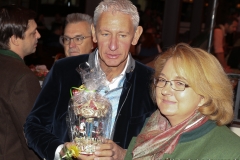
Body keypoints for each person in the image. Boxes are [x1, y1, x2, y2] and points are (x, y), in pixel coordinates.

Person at [23, 0, 157, 160]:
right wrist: (64, 152)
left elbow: (162, 144)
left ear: (135, 35)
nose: (113, 45)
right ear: (94, 33)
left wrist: (124, 154)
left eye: (122, 35)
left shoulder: (150, 81)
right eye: (105, 34)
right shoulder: (64, 71)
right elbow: (33, 126)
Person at [124, 43, 240, 159]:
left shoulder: (230, 151)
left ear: (204, 96)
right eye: (163, 80)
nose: (165, 90)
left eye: (180, 83)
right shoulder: (151, 129)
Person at [0, 5, 41, 160]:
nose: (39, 35)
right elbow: (32, 138)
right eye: (33, 33)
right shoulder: (22, 78)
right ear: (15, 39)